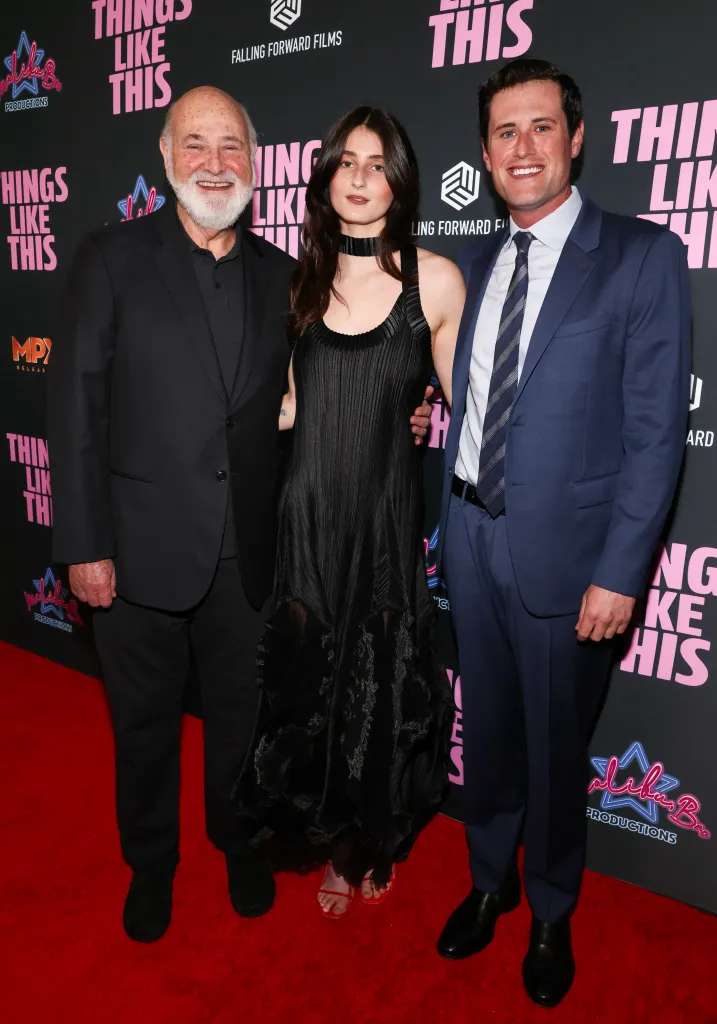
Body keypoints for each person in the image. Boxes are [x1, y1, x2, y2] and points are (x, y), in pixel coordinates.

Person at [47, 86, 433, 944]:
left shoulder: (286, 277)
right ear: (164, 157)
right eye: (196, 144)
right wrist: (83, 545)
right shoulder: (108, 257)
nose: (214, 163)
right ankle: (151, 864)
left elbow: (325, 393)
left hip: (250, 557)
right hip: (135, 553)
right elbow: (74, 406)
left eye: (232, 147)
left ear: (256, 167)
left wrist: (406, 412)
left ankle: (237, 843)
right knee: (142, 728)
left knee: (241, 722)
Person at [435, 59, 690, 1007]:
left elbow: (656, 433)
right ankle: (488, 881)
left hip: (571, 558)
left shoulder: (639, 255)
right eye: (505, 133)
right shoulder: (467, 261)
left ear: (575, 137)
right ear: (486, 153)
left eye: (541, 127)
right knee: (490, 730)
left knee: (551, 743)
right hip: (468, 537)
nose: (523, 148)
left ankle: (549, 906)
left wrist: (621, 571)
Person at [233, 105, 465, 918]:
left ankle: (367, 841)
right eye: (345, 162)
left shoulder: (433, 280)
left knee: (377, 688)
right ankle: (329, 838)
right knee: (313, 690)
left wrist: (424, 413)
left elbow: (468, 408)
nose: (360, 178)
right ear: (325, 178)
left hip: (382, 520)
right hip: (308, 515)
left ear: (399, 182)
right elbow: (291, 408)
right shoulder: (298, 281)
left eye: (377, 163)